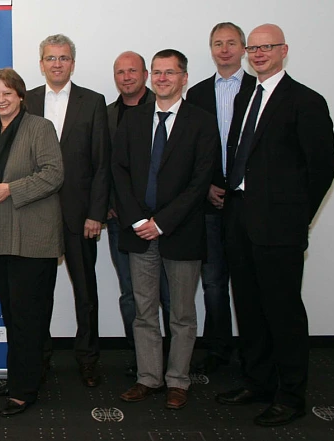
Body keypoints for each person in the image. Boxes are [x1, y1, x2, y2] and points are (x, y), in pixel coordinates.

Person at [216, 24, 334, 426]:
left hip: (279, 227)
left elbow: (321, 167)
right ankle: (258, 381)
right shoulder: (247, 96)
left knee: (283, 312)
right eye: (254, 48)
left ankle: (291, 394)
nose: (259, 53)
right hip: (239, 218)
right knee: (248, 308)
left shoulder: (305, 100)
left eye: (267, 47)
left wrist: (296, 216)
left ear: (284, 50)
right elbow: (239, 154)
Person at [113, 50, 218, 410]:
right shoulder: (132, 120)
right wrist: (139, 221)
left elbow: (200, 180)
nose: (161, 78)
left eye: (169, 73)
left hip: (181, 232)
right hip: (139, 232)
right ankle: (149, 377)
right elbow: (120, 173)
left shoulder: (202, 122)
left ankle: (178, 380)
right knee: (144, 311)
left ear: (183, 77)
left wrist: (163, 222)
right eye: (156, 72)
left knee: (182, 314)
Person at [0, 68, 64, 417]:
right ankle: (21, 377)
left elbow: (54, 173)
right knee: (12, 315)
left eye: (8, 93)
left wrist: (11, 189)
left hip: (32, 239)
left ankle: (24, 389)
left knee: (28, 316)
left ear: (21, 96)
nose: (1, 100)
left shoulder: (40, 128)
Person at [25, 34, 110, 388]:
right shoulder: (26, 100)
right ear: (41, 63)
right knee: (38, 293)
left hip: (80, 215)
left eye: (63, 58)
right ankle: (39, 359)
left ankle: (88, 359)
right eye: (50, 58)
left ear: (72, 63)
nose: (56, 64)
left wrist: (96, 213)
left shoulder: (93, 102)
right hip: (36, 214)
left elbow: (102, 163)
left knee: (86, 292)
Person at [185, 22, 256, 374]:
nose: (224, 49)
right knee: (213, 282)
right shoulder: (196, 95)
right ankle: (218, 349)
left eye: (231, 43)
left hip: (250, 203)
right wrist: (208, 186)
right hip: (209, 201)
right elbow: (193, 151)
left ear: (243, 49)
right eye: (218, 43)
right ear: (211, 49)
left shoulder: (259, 90)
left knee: (249, 280)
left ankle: (255, 352)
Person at [106, 51, 171, 377]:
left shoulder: (166, 110)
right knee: (132, 294)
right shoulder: (107, 115)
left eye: (133, 71)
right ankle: (142, 360)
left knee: (170, 296)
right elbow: (106, 168)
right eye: (120, 72)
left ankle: (173, 362)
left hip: (168, 223)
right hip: (123, 221)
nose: (126, 77)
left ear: (145, 75)